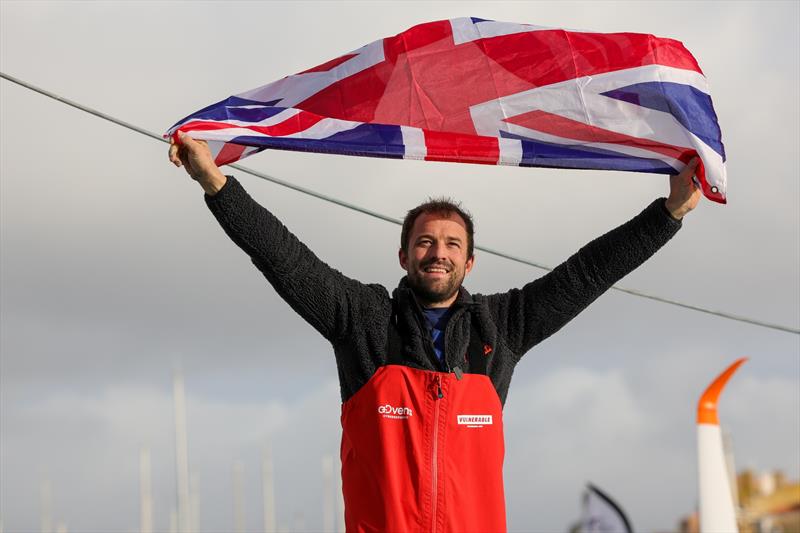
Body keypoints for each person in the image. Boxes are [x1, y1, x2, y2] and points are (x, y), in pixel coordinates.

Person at [169, 132, 701, 533]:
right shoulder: (363, 320)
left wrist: (669, 212)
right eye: (425, 242)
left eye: (451, 244)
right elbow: (284, 260)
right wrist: (215, 183)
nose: (438, 252)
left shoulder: (503, 328)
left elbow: (587, 274)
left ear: (469, 262)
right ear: (403, 256)